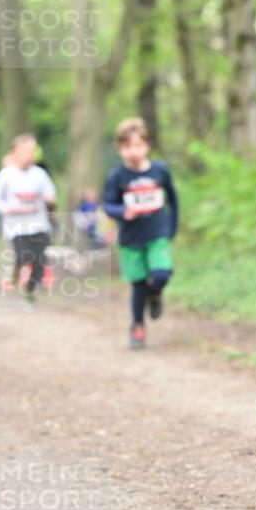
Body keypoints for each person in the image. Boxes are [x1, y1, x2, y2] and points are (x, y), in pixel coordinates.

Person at [103, 117, 178, 349]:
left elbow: (173, 200)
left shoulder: (160, 170)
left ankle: (155, 294)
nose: (132, 151)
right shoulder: (117, 177)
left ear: (147, 145)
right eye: (126, 147)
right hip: (130, 239)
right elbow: (107, 206)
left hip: (157, 234)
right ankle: (137, 326)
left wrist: (171, 227)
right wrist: (122, 210)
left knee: (161, 275)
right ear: (120, 149)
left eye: (137, 145)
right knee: (137, 285)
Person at [0, 134, 57, 302]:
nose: (30, 155)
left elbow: (50, 193)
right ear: (15, 153)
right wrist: (8, 208)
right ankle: (15, 272)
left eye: (32, 151)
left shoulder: (40, 174)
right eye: (26, 151)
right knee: (23, 256)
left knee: (39, 261)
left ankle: (30, 289)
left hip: (38, 225)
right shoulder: (6, 175)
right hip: (16, 227)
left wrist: (50, 199)